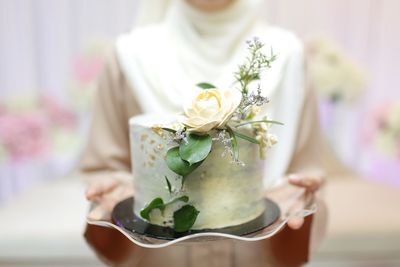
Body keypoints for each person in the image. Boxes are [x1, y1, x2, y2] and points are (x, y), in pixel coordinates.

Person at [81, 0, 339, 266]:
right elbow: (105, 171)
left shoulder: (287, 56)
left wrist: (300, 198)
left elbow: (306, 174)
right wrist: (119, 197)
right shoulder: (128, 56)